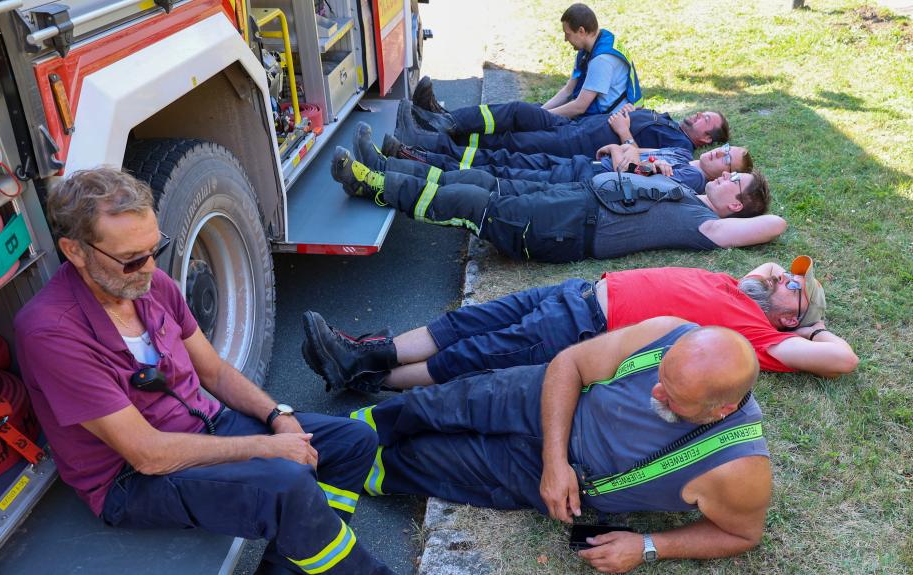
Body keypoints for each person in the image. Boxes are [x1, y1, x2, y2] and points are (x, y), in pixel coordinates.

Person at [14, 168, 392, 575]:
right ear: (75, 251)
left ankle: (305, 549)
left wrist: (277, 418)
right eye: (130, 260)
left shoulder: (150, 284)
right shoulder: (50, 332)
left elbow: (214, 373)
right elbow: (148, 455)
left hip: (206, 428)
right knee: (289, 485)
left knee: (355, 441)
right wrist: (267, 447)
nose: (147, 268)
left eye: (153, 249)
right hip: (132, 481)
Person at [347, 318, 772, 573]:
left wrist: (649, 546)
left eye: (674, 397)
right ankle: (331, 434)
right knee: (422, 407)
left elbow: (743, 534)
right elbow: (569, 364)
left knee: (420, 463)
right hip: (541, 399)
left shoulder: (737, 469)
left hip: (537, 472)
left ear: (721, 409)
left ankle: (335, 470)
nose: (656, 392)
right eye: (662, 375)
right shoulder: (666, 332)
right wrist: (555, 460)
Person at [300, 256, 859, 392]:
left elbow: (843, 359)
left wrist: (808, 331)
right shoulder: (738, 289)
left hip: (586, 325)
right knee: (466, 323)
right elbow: (762, 270)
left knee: (473, 356)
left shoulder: (758, 336)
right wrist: (778, 283)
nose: (782, 272)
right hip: (578, 292)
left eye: (793, 284)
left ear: (790, 316)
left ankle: (363, 374)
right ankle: (360, 352)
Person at [330, 145, 783, 264]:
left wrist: (765, 210)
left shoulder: (709, 226)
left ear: (737, 208)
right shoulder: (687, 190)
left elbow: (775, 224)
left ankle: (369, 184)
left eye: (733, 181)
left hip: (569, 226)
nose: (723, 175)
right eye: (729, 170)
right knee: (485, 180)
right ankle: (387, 168)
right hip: (575, 196)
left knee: (472, 202)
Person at [355, 121, 750, 193]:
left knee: (491, 174)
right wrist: (622, 149)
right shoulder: (682, 157)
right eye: (727, 148)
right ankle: (408, 154)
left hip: (579, 181)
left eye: (728, 159)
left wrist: (622, 150)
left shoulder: (690, 177)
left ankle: (396, 164)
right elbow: (627, 152)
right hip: (580, 166)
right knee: (494, 164)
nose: (722, 154)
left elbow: (628, 168)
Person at [413, 4, 641, 120]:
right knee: (519, 110)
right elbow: (569, 89)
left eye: (568, 34)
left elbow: (580, 106)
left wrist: (542, 117)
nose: (565, 39)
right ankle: (448, 117)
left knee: (518, 116)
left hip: (595, 122)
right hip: (589, 115)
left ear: (582, 31)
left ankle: (448, 121)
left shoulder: (602, 60)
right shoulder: (593, 46)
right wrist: (540, 111)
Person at [396, 101, 727, 169]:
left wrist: (626, 132)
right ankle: (445, 120)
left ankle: (428, 141)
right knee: (517, 111)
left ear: (706, 139)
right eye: (702, 112)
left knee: (511, 142)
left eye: (704, 119)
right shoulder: (670, 122)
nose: (698, 114)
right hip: (572, 126)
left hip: (575, 146)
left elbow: (640, 163)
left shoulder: (680, 146)